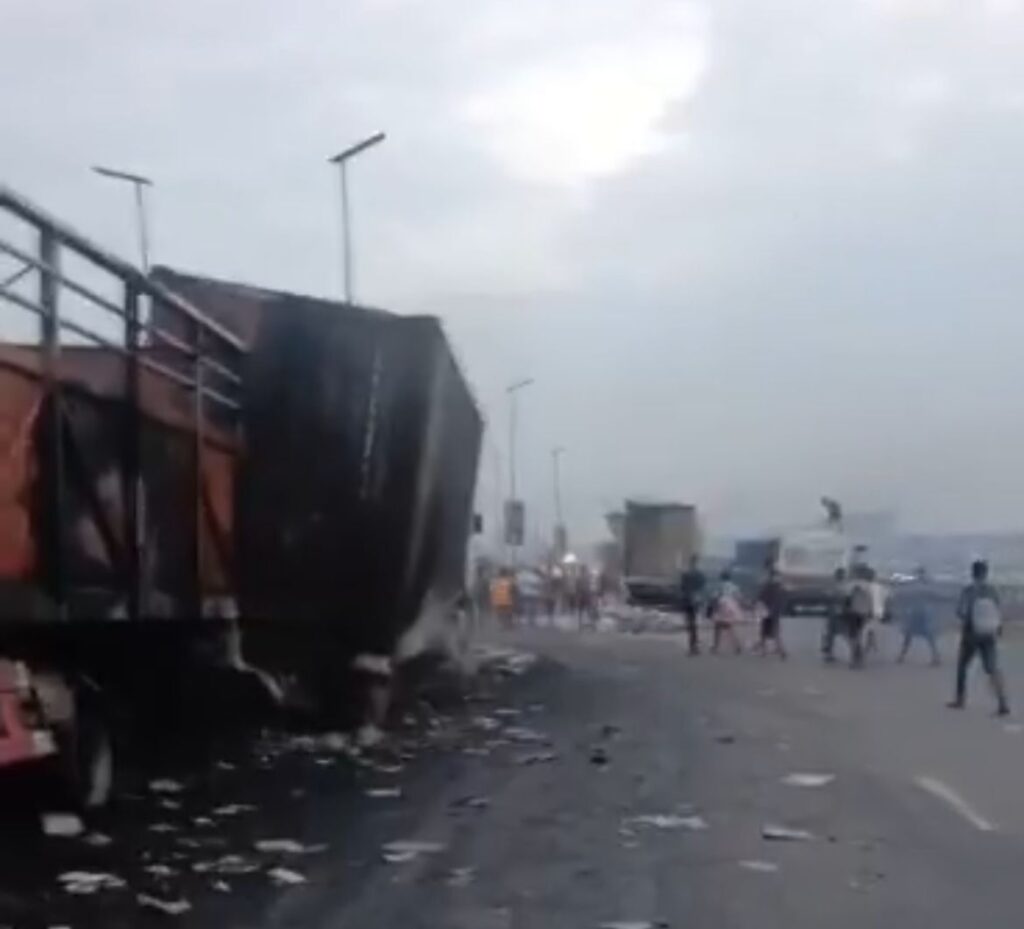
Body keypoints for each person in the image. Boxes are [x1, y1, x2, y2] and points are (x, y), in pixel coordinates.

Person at [949, 559, 1009, 716]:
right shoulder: (992, 590)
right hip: (989, 634)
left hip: (971, 634)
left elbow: (961, 612)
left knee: (963, 667)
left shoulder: (969, 590)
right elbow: (998, 611)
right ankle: (1002, 702)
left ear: (972, 573)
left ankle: (960, 699)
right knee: (992, 668)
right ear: (986, 573)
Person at [895, 566, 941, 666]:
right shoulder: (926, 585)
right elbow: (935, 597)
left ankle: (901, 656)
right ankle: (935, 656)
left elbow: (904, 596)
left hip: (916, 612)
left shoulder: (914, 585)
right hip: (923, 612)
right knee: (928, 635)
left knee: (910, 635)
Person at [756, 564, 788, 659]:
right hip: (775, 612)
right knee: (775, 632)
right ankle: (781, 651)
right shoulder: (781, 587)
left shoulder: (768, 586)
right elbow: (783, 600)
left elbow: (761, 597)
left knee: (764, 632)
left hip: (767, 611)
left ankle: (764, 652)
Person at [709, 569, 744, 655]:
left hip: (722, 606)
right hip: (731, 607)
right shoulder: (734, 586)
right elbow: (739, 597)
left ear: (722, 577)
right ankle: (736, 645)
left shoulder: (720, 586)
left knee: (718, 627)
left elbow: (715, 596)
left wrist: (713, 605)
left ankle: (716, 647)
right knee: (729, 626)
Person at [679, 555, 707, 655]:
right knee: (694, 622)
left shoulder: (685, 574)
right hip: (696, 600)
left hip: (687, 600)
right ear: (697, 562)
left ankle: (692, 645)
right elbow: (703, 586)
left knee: (690, 623)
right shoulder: (700, 574)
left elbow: (682, 587)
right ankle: (695, 645)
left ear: (690, 562)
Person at [822, 567, 848, 663]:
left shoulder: (839, 585)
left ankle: (828, 653)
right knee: (832, 633)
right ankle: (828, 653)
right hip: (836, 611)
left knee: (834, 633)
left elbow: (829, 596)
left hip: (836, 611)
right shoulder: (841, 586)